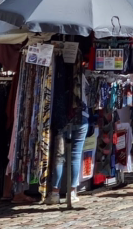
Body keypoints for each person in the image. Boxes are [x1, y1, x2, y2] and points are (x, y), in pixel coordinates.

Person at [46, 51, 89, 205]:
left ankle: (55, 193)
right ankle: (72, 192)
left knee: (59, 157)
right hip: (81, 116)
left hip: (63, 116)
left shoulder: (59, 74)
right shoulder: (83, 77)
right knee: (75, 156)